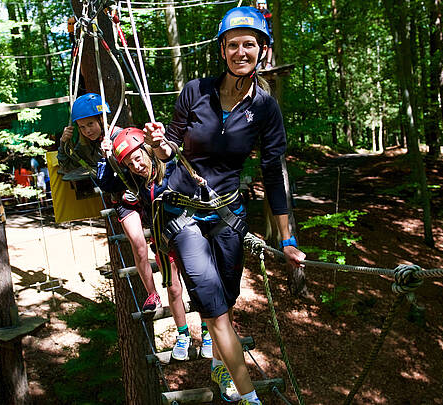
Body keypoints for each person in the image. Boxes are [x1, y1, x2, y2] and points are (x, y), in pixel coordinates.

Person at [143, 7, 305, 404]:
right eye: (232, 45)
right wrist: (160, 145)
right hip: (182, 213)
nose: (240, 51)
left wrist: (287, 238)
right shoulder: (195, 92)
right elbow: (170, 148)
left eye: (249, 44)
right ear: (222, 51)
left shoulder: (265, 109)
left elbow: (274, 171)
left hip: (228, 216)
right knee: (215, 311)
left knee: (226, 302)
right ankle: (248, 396)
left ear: (262, 50)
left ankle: (220, 365)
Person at [105, 127, 214, 361]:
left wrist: (159, 141)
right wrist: (109, 156)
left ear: (147, 151)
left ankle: (207, 333)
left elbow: (173, 153)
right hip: (164, 242)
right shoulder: (135, 180)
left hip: (189, 236)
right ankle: (183, 334)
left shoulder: (170, 168)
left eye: (137, 158)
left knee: (198, 285)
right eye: (130, 163)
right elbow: (110, 180)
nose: (136, 166)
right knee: (173, 288)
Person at [57, 93, 162, 314]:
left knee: (160, 245)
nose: (87, 131)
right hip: (123, 201)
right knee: (138, 244)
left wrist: (112, 155)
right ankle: (152, 295)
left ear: (102, 120)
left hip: (143, 195)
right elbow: (66, 165)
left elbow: (144, 163)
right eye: (82, 127)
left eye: (90, 125)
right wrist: (63, 142)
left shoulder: (121, 135)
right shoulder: (86, 145)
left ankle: (172, 284)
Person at [256, 0, 274, 69]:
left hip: (268, 31)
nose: (261, 6)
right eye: (259, 4)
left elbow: (269, 22)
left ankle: (268, 63)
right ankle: (259, 63)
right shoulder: (256, 13)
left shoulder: (267, 12)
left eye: (262, 4)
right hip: (259, 32)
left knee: (269, 46)